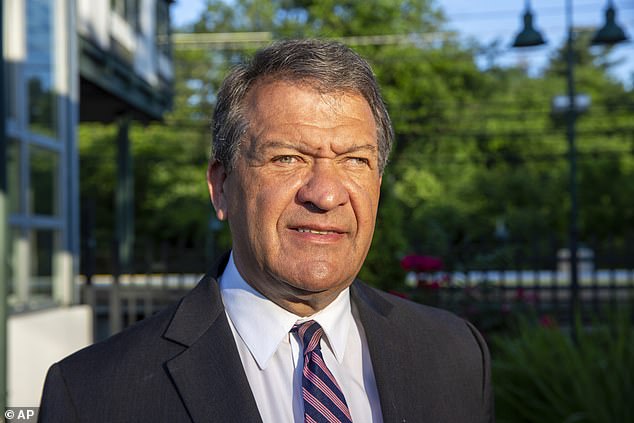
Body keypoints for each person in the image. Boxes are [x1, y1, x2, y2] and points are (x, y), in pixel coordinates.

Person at [39, 39, 494, 423]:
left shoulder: (456, 355)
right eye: (287, 159)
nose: (326, 194)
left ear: (377, 185)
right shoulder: (93, 395)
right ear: (221, 188)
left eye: (355, 160)